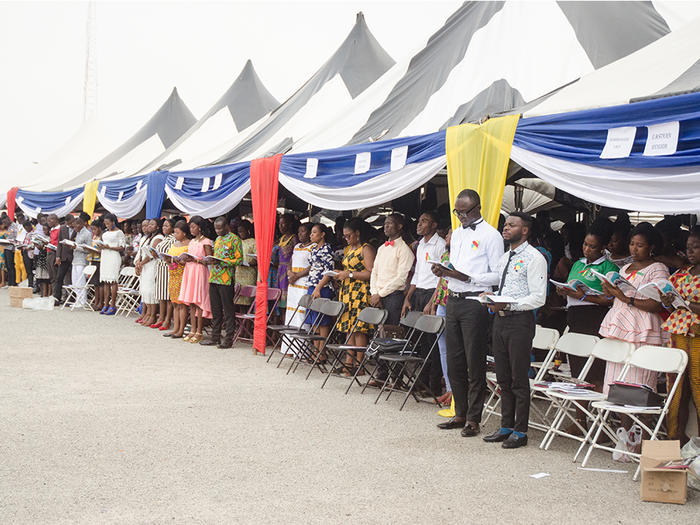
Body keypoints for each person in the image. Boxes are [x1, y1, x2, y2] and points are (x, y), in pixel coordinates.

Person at [433, 190, 504, 437]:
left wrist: (468, 277)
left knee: (475, 361)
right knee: (454, 361)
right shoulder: (459, 233)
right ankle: (460, 412)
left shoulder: (491, 236)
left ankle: (474, 418)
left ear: (476, 208)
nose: (459, 217)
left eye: (462, 212)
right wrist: (444, 271)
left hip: (476, 301)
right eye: (457, 212)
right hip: (453, 299)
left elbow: (497, 275)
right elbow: (456, 266)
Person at [481, 212, 547, 449]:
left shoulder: (534, 258)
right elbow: (503, 285)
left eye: (511, 225)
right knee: (503, 377)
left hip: (519, 321)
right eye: (505, 224)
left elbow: (538, 297)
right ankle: (506, 425)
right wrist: (490, 297)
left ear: (525, 230)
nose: (505, 228)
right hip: (499, 319)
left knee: (519, 378)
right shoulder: (505, 256)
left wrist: (508, 304)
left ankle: (521, 430)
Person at [599, 223, 668, 413]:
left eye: (640, 245)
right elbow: (617, 297)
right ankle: (623, 432)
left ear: (651, 247)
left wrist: (626, 298)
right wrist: (610, 290)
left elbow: (657, 304)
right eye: (631, 244)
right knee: (616, 382)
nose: (634, 249)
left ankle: (639, 436)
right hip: (619, 327)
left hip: (643, 329)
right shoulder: (625, 268)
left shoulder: (658, 269)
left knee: (639, 386)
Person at [554, 222, 618, 391]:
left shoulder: (609, 266)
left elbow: (611, 299)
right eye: (585, 244)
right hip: (575, 316)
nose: (587, 249)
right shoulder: (578, 264)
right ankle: (580, 417)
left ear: (603, 247)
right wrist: (564, 290)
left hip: (594, 317)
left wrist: (584, 296)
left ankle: (597, 413)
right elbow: (571, 286)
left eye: (592, 246)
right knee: (577, 369)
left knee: (594, 368)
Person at [661, 226, 700, 444]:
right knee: (675, 391)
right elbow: (672, 304)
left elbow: (687, 305)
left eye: (696, 247)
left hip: (697, 337)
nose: (691, 252)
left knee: (699, 389)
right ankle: (674, 440)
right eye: (688, 248)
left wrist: (688, 304)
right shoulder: (681, 274)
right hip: (677, 336)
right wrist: (668, 301)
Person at [402, 211, 447, 397]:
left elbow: (441, 276)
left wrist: (433, 301)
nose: (419, 224)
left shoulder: (440, 244)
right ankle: (420, 381)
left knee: (433, 343)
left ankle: (433, 385)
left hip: (431, 294)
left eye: (424, 221)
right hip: (419, 292)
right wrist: (408, 297)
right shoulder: (420, 245)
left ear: (434, 225)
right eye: (419, 221)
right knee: (420, 341)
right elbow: (419, 273)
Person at [333, 218, 376, 375]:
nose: (346, 238)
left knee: (359, 329)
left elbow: (371, 273)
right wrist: (340, 274)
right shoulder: (347, 250)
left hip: (360, 291)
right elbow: (347, 269)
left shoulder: (366, 249)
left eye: (348, 235)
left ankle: (360, 364)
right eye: (344, 236)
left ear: (357, 233)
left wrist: (349, 274)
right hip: (347, 291)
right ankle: (348, 363)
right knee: (348, 328)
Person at [200, 216, 243, 348]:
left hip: (226, 279)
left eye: (220, 228)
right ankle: (215, 337)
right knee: (216, 310)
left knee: (228, 311)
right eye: (215, 229)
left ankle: (228, 339)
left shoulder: (234, 239)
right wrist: (210, 260)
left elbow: (239, 260)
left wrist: (224, 262)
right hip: (214, 277)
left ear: (226, 226)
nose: (217, 231)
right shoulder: (218, 239)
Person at [369, 213, 414, 325]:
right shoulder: (381, 248)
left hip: (393, 297)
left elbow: (401, 278)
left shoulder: (404, 250)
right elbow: (374, 272)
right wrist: (374, 293)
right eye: (385, 224)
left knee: (390, 332)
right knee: (377, 333)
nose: (386, 226)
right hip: (377, 295)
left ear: (399, 226)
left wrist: (380, 294)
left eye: (390, 223)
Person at [178, 216, 213, 343]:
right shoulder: (192, 242)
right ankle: (192, 329)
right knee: (191, 302)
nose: (191, 229)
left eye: (193, 227)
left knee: (199, 302)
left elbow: (209, 259)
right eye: (190, 227)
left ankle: (199, 331)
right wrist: (183, 259)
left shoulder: (206, 241)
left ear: (200, 227)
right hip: (189, 271)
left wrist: (196, 260)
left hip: (199, 271)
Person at [281, 223, 315, 355]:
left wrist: (297, 276)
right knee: (291, 314)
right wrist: (290, 272)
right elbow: (291, 262)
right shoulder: (296, 247)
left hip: (303, 282)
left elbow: (311, 266)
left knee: (301, 314)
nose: (301, 234)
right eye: (299, 231)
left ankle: (301, 351)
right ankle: (288, 348)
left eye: (304, 232)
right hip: (293, 282)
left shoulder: (313, 247)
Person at [307, 224, 336, 362]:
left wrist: (318, 287)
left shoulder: (327, 249)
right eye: (311, 233)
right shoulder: (313, 249)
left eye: (314, 232)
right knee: (314, 321)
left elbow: (328, 272)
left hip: (322, 288)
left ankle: (321, 352)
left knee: (323, 321)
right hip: (312, 285)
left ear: (322, 234)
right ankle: (315, 350)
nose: (311, 235)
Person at [134, 219, 164, 327]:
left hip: (152, 265)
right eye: (148, 224)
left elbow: (152, 254)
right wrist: (138, 262)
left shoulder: (158, 237)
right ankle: (147, 313)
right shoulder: (148, 237)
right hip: (145, 266)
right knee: (145, 290)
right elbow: (142, 252)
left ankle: (152, 315)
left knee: (151, 290)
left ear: (157, 227)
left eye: (152, 224)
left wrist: (141, 263)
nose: (149, 226)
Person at [164, 221, 190, 339]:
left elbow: (189, 260)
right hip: (172, 274)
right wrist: (167, 259)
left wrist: (180, 261)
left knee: (182, 304)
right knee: (174, 303)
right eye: (174, 232)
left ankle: (181, 329)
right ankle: (175, 328)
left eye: (177, 232)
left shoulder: (189, 244)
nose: (175, 234)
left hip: (182, 275)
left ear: (184, 233)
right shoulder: (174, 244)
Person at [99, 213, 126, 315]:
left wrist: (110, 247)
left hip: (114, 256)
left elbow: (122, 247)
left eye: (108, 223)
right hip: (105, 256)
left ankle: (113, 305)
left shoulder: (119, 232)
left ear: (113, 222)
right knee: (106, 281)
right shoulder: (105, 233)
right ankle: (106, 304)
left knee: (113, 281)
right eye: (105, 223)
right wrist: (101, 246)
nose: (106, 225)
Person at [153, 218, 176, 331]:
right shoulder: (165, 238)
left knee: (167, 296)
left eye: (167, 226)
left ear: (172, 228)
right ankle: (160, 318)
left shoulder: (173, 239)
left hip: (168, 267)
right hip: (160, 266)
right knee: (161, 294)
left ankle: (167, 319)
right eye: (163, 226)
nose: (164, 228)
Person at [69, 214, 93, 308]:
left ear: (80, 224)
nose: (74, 228)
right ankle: (78, 299)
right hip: (75, 259)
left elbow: (88, 248)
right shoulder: (78, 233)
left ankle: (82, 300)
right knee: (74, 281)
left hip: (82, 260)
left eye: (75, 226)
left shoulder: (87, 233)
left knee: (81, 281)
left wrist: (77, 247)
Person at [53, 214, 76, 305]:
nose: (70, 225)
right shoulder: (62, 228)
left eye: (71, 223)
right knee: (59, 278)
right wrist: (58, 256)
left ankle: (71, 299)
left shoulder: (77, 228)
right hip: (63, 256)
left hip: (74, 256)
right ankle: (57, 298)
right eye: (68, 224)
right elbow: (59, 243)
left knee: (72, 279)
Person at [235, 220, 257, 307]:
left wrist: (253, 262)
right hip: (239, 272)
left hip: (249, 272)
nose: (240, 233)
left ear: (248, 230)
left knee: (248, 299)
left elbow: (257, 257)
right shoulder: (237, 241)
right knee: (239, 299)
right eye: (239, 231)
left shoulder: (253, 241)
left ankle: (247, 320)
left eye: (242, 231)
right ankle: (241, 319)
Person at [87, 221, 104, 310]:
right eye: (92, 229)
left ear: (100, 228)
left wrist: (96, 251)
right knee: (95, 284)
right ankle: (96, 301)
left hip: (100, 261)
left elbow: (104, 250)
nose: (93, 231)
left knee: (100, 283)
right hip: (93, 260)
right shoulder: (95, 237)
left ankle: (101, 302)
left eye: (94, 229)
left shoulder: (102, 237)